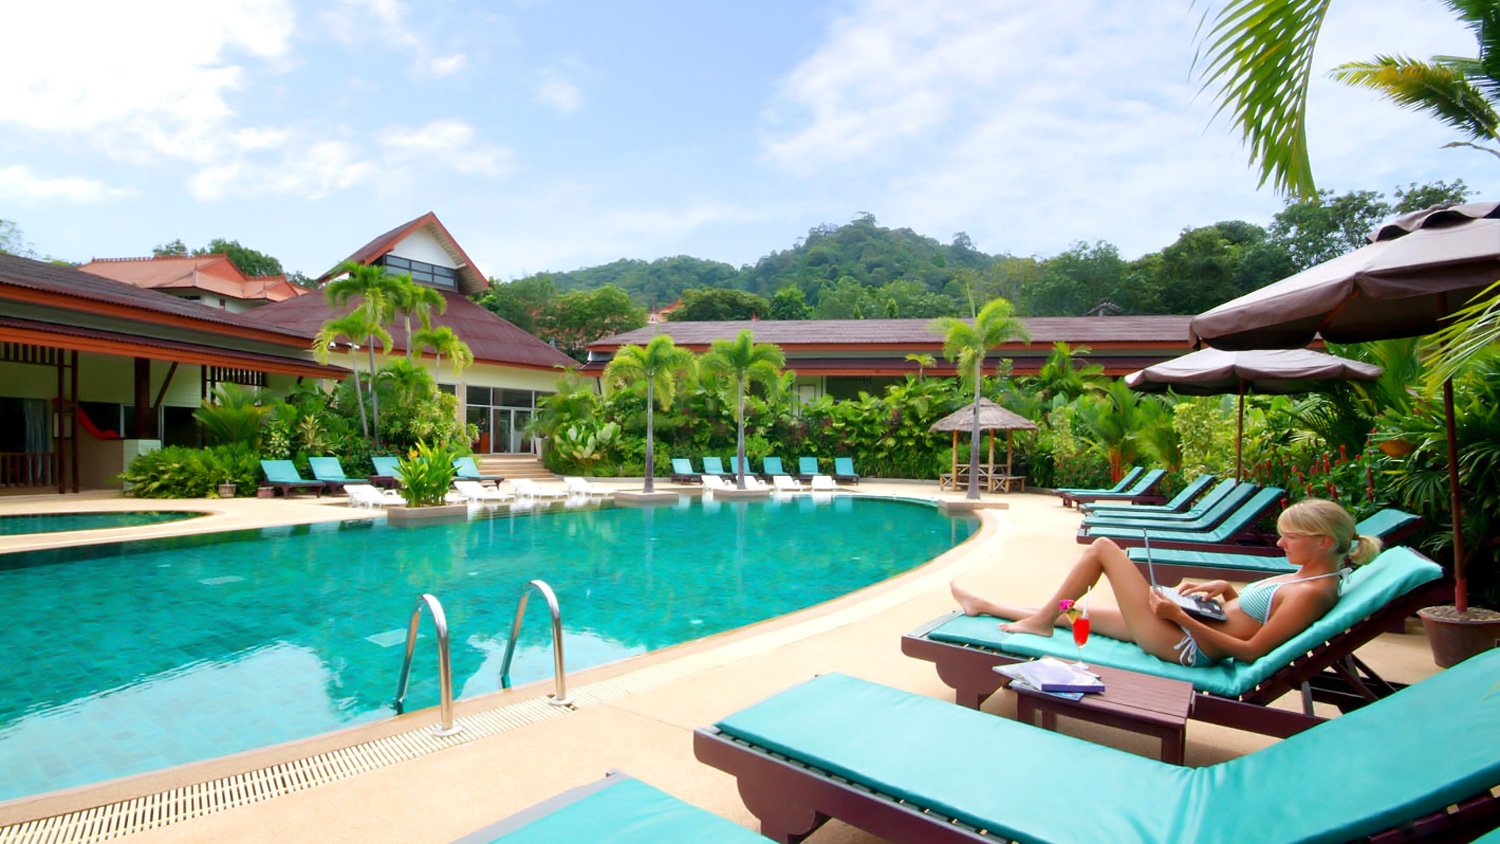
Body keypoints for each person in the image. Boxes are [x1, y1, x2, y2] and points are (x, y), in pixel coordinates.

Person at [950, 498, 1382, 667]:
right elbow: (1253, 618)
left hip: (1185, 644)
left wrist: (1178, 615)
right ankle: (987, 606)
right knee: (1075, 613)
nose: (1281, 542)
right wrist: (1225, 591)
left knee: (1103, 548)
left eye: (1290, 537)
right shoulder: (1314, 575)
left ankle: (1040, 622)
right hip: (1189, 627)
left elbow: (1251, 650)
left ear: (1324, 542)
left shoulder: (1313, 592)